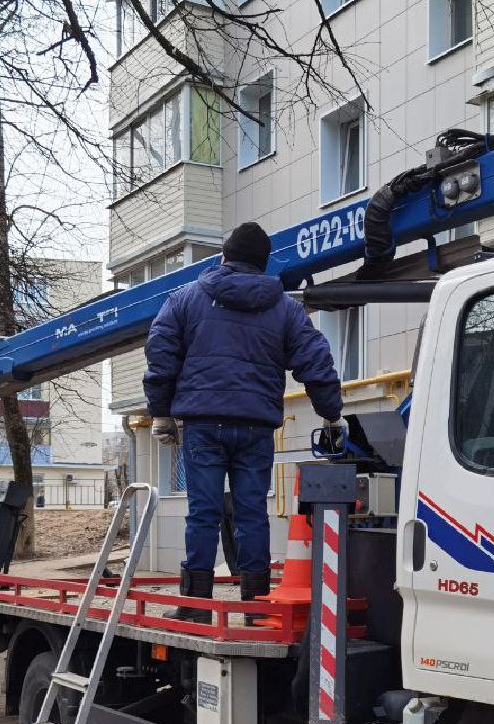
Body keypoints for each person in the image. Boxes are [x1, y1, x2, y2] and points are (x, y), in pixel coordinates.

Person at [144, 221, 344, 621]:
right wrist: (330, 413)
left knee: (203, 511)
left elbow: (161, 353)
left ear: (224, 257)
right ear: (264, 264)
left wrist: (161, 411)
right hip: (256, 426)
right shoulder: (286, 308)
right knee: (252, 511)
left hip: (204, 424)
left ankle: (195, 606)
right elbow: (315, 360)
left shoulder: (185, 299)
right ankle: (254, 606)